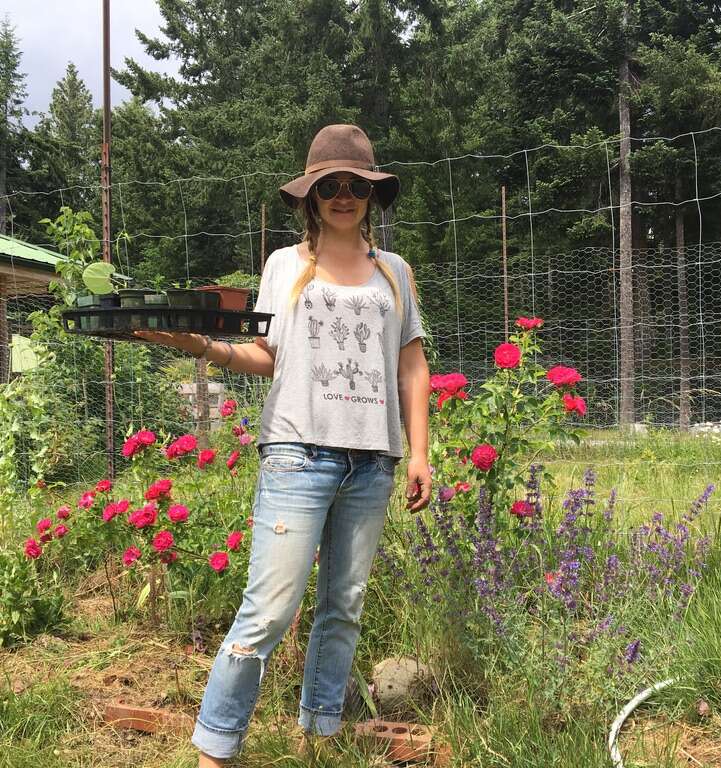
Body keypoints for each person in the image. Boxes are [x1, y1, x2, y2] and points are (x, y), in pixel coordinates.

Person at [134, 123, 431, 766]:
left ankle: (320, 732)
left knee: (343, 608)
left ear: (372, 195)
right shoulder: (284, 266)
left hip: (372, 464)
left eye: (356, 184)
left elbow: (413, 365)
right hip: (297, 456)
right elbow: (268, 355)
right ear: (311, 196)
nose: (344, 195)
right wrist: (202, 347)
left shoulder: (396, 274)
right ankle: (217, 745)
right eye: (331, 185)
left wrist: (419, 453)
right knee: (269, 611)